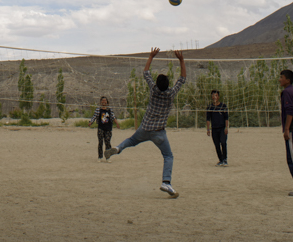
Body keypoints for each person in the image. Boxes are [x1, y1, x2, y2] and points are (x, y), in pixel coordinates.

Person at [105, 48, 187, 198]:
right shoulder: (170, 94)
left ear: (157, 83)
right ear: (168, 85)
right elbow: (182, 79)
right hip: (159, 132)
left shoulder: (153, 89)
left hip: (145, 127)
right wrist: (181, 60)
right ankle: (166, 182)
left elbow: (146, 73)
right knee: (168, 156)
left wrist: (151, 56)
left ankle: (117, 148)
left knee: (131, 140)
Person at [88, 96, 120, 161]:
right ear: (100, 102)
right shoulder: (98, 109)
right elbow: (94, 116)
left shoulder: (109, 109)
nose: (104, 102)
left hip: (108, 128)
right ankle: (100, 157)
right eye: (102, 100)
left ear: (107, 102)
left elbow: (113, 117)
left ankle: (107, 157)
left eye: (105, 101)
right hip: (101, 128)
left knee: (107, 142)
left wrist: (117, 123)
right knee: (100, 142)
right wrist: (91, 122)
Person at [205, 90, 229, 166]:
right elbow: (208, 119)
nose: (214, 97)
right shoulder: (210, 107)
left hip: (222, 128)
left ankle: (225, 159)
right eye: (213, 95)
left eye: (216, 95)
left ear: (218, 97)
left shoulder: (223, 106)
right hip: (214, 128)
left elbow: (226, 118)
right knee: (216, 145)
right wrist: (208, 129)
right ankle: (221, 160)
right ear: (211, 97)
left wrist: (226, 127)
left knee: (223, 142)